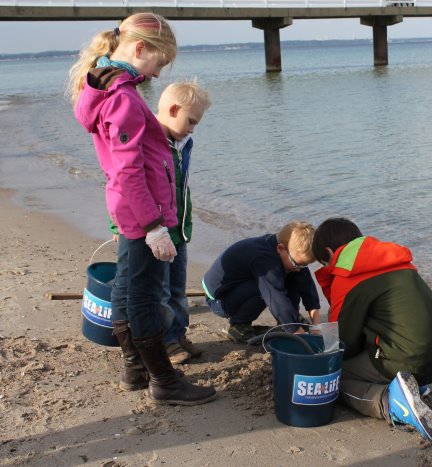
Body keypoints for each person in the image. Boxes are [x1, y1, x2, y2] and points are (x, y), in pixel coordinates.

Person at [69, 13, 216, 405]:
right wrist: (154, 225)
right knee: (145, 296)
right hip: (142, 212)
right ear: (139, 49)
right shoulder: (123, 98)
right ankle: (164, 380)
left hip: (130, 210)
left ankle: (135, 367)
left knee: (127, 285)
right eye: (159, 63)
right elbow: (128, 168)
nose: (156, 74)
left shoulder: (106, 87)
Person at [311, 217, 432, 441]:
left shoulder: (348, 276)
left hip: (402, 359)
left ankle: (389, 401)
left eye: (323, 263)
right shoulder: (395, 261)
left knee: (330, 378)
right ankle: (415, 386)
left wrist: (322, 343)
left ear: (328, 252)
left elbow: (344, 343)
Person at [109, 81, 212, 365]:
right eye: (190, 121)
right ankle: (165, 342)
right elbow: (122, 181)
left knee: (177, 288)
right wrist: (116, 224)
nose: (192, 128)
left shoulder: (183, 144)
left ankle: (178, 334)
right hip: (154, 228)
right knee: (160, 291)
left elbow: (181, 188)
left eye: (196, 123)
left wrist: (185, 222)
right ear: (173, 109)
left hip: (178, 229)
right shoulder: (147, 139)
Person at [202, 221, 322, 341]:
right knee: (266, 288)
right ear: (280, 248)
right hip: (220, 299)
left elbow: (308, 289)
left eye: (304, 265)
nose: (298, 269)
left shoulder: (290, 254)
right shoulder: (264, 259)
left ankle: (290, 318)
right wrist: (296, 332)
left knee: (293, 275)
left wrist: (316, 327)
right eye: (297, 264)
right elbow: (275, 297)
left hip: (243, 285)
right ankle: (238, 325)